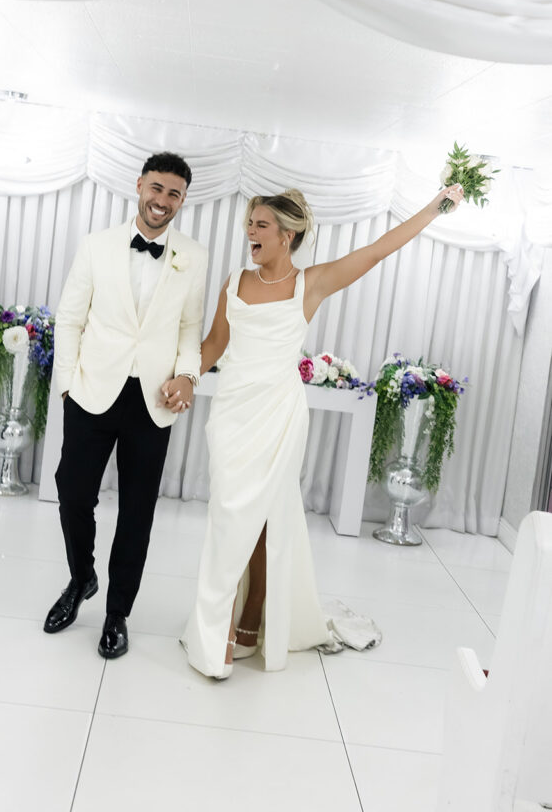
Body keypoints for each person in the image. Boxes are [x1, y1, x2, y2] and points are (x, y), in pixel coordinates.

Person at [181, 181, 464, 678]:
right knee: (229, 514)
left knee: (267, 517)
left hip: (280, 413)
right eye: (249, 224)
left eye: (261, 225)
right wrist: (184, 378)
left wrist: (438, 206)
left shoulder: (309, 284)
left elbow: (379, 250)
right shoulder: (234, 282)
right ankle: (226, 617)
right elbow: (214, 343)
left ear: (287, 235)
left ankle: (239, 620)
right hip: (232, 414)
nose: (251, 231)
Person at [45, 151, 208, 660]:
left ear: (183, 199)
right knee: (72, 492)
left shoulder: (193, 256)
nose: (162, 201)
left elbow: (189, 330)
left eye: (174, 194)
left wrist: (187, 374)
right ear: (140, 185)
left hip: (152, 401)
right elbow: (70, 318)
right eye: (156, 188)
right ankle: (81, 578)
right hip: (92, 391)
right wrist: (68, 385)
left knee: (138, 511)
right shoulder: (97, 245)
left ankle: (117, 613)